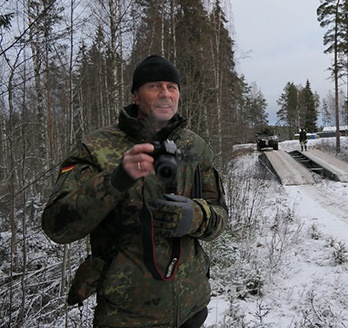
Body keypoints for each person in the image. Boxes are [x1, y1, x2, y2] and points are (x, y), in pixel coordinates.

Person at [42, 55, 229, 328]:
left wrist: (196, 216)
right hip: (126, 315)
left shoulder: (195, 147)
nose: (165, 94)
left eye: (172, 87)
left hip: (191, 307)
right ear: (135, 96)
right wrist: (116, 179)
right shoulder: (96, 147)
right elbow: (57, 227)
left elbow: (220, 216)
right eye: (155, 86)